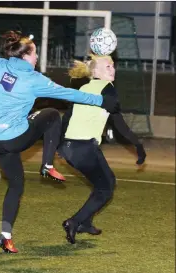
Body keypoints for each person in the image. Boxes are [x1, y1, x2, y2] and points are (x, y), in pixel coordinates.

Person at [0, 31, 119, 253]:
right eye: (34, 54)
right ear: (26, 56)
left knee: (16, 184)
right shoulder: (34, 79)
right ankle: (47, 164)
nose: (36, 59)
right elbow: (69, 94)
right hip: (15, 139)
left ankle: (5, 236)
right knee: (51, 114)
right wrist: (100, 100)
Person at [58, 54, 146, 244]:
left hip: (70, 148)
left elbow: (67, 117)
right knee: (106, 187)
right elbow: (119, 123)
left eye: (113, 66)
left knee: (102, 185)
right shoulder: (108, 89)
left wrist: (59, 145)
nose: (112, 70)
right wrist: (137, 145)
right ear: (95, 71)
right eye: (107, 67)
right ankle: (74, 222)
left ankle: (85, 222)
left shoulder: (83, 88)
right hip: (84, 148)